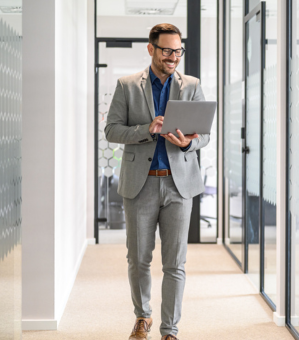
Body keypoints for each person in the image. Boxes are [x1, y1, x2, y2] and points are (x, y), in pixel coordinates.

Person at [105, 23, 209, 340]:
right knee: (138, 258)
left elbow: (203, 134)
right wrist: (146, 130)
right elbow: (111, 131)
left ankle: (170, 329)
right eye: (167, 51)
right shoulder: (127, 85)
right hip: (141, 184)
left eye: (178, 51)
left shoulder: (191, 85)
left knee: (175, 262)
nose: (173, 57)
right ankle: (143, 317)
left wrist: (188, 143)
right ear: (151, 49)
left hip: (180, 186)